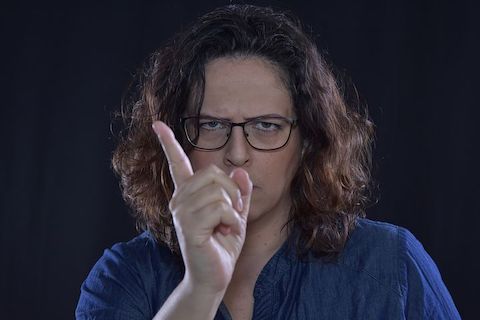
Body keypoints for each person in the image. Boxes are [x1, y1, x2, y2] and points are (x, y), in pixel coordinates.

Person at [75, 4, 460, 319]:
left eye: (266, 126)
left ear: (308, 141)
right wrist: (200, 290)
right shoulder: (124, 277)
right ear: (179, 140)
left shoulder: (390, 267)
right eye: (211, 124)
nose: (238, 153)